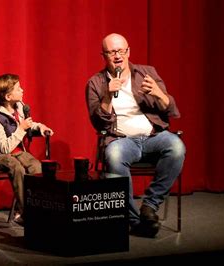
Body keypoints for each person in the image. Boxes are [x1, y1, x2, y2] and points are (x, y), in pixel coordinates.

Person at [85, 33, 186, 238]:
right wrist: (107, 95)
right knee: (114, 156)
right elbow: (98, 123)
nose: (118, 56)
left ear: (128, 52)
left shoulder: (147, 73)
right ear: (103, 55)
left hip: (152, 137)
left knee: (176, 147)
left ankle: (149, 205)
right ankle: (134, 221)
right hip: (121, 140)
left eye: (121, 50)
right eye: (112, 52)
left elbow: (171, 109)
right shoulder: (95, 83)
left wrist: (158, 92)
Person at [0, 73, 54, 226]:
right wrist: (21, 128)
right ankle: (24, 211)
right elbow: (5, 147)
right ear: (8, 96)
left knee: (36, 166)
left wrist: (39, 127)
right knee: (16, 167)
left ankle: (39, 206)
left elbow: (25, 124)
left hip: (14, 151)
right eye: (18, 88)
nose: (22, 90)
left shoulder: (18, 108)